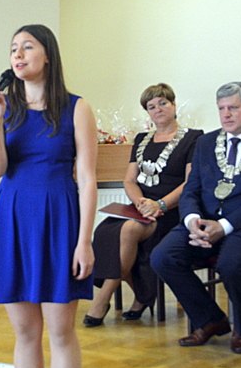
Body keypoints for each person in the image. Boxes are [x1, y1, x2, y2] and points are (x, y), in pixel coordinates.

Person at [0, 25, 98, 368]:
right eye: (13, 48)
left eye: (28, 46)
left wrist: (85, 240)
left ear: (48, 55)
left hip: (59, 220)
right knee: (25, 334)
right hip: (12, 218)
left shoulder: (76, 108)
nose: (18, 54)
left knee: (61, 333)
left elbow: (88, 178)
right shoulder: (3, 107)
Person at [150, 82, 241, 354]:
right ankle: (210, 320)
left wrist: (223, 227)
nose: (226, 114)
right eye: (221, 108)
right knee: (162, 257)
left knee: (231, 263)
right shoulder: (205, 143)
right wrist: (192, 221)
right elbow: (191, 190)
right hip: (204, 222)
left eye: (233, 108)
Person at [84, 84, 202, 327]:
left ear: (174, 105)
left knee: (128, 231)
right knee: (104, 231)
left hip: (172, 211)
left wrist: (159, 205)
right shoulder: (141, 139)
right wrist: (140, 202)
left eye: (163, 103)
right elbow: (129, 180)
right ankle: (143, 294)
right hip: (140, 208)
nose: (158, 109)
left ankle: (102, 300)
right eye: (151, 106)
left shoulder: (194, 138)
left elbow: (190, 183)